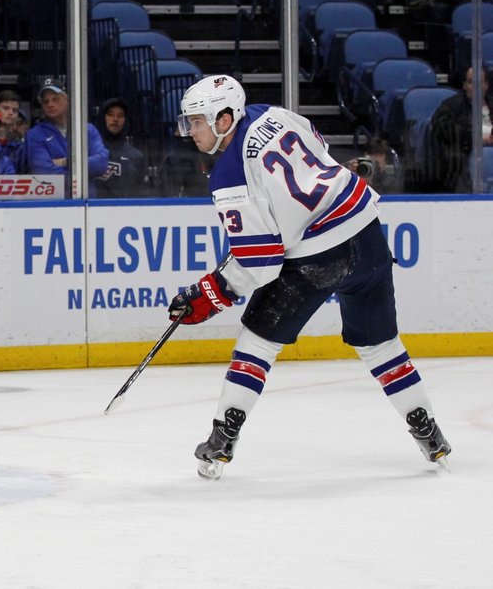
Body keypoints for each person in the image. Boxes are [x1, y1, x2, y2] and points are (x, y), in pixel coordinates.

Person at [170, 74, 450, 480]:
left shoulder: (229, 174)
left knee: (257, 343)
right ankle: (429, 431)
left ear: (225, 119)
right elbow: (318, 146)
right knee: (381, 344)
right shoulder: (273, 113)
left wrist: (210, 293)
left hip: (317, 258)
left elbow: (260, 260)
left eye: (197, 121)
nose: (190, 130)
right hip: (368, 236)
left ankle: (222, 439)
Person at [25, 78, 110, 195]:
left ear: (67, 100)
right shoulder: (34, 135)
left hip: (86, 202)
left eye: (55, 99)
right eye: (46, 101)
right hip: (52, 205)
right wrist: (84, 173)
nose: (50, 104)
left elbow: (101, 164)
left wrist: (65, 162)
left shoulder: (87, 129)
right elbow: (45, 175)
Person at [420, 65, 493, 192]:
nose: (475, 87)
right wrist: (475, 138)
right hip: (466, 154)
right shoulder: (453, 105)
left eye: (479, 82)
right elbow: (441, 126)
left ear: (486, 85)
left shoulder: (491, 105)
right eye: (470, 82)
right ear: (464, 86)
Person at [93, 97, 150, 198]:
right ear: (102, 117)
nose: (115, 119)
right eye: (110, 115)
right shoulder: (88, 151)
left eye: (120, 116)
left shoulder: (136, 157)